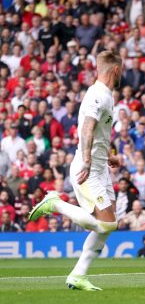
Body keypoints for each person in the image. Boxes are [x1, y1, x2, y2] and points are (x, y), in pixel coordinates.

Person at [28, 50, 123, 291]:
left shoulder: (105, 95)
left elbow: (98, 133)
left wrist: (108, 157)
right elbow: (87, 128)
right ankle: (55, 203)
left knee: (108, 226)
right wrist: (89, 160)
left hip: (100, 167)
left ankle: (78, 275)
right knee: (107, 224)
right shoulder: (99, 96)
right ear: (116, 70)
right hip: (88, 168)